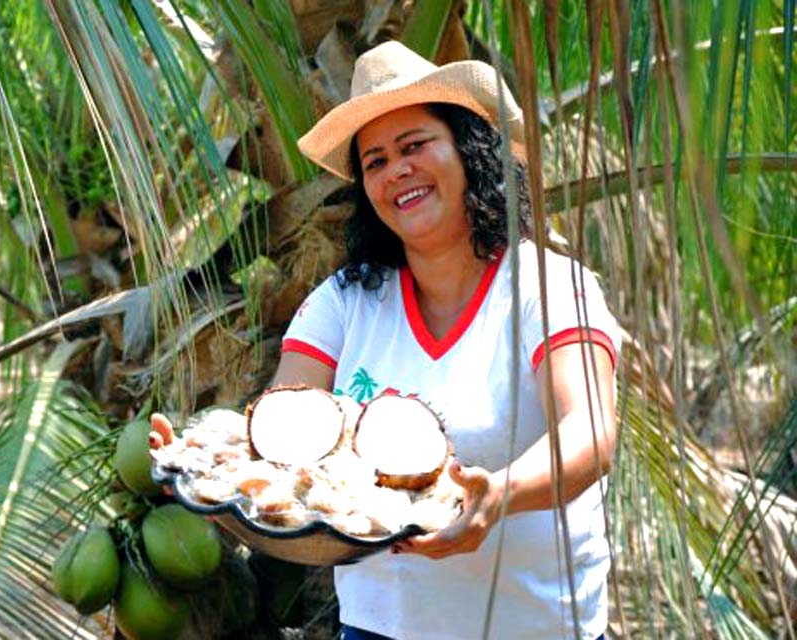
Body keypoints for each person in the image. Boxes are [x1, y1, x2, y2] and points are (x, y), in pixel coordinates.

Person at [152, 41, 618, 640]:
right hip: (377, 630)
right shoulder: (344, 303)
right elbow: (280, 432)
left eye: (415, 146)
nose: (396, 170)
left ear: (471, 152)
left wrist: (497, 495)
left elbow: (590, 433)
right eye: (374, 161)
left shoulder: (549, 286)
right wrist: (195, 462)